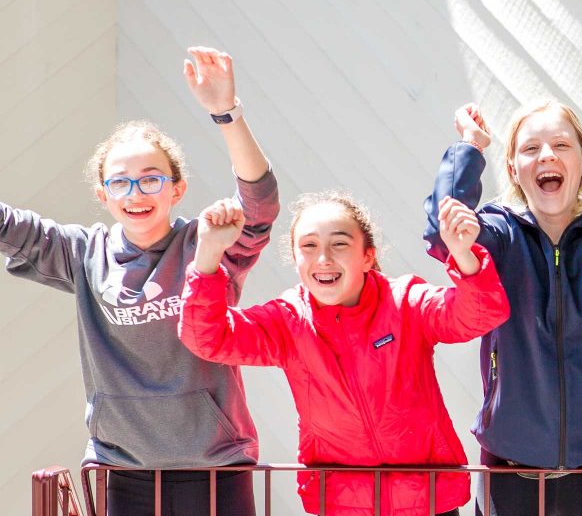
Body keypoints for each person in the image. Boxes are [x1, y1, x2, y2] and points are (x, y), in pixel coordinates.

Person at [0, 47, 276, 515]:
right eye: (121, 182)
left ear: (176, 188)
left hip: (216, 465)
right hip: (122, 469)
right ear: (103, 194)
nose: (136, 193)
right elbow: (10, 227)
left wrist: (225, 113)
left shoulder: (206, 240)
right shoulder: (83, 253)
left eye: (151, 179)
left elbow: (260, 203)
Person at [180, 192, 509, 516]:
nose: (323, 258)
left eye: (339, 244)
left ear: (367, 256)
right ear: (295, 259)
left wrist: (464, 253)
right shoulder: (287, 319)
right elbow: (208, 338)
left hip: (428, 501)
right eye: (309, 246)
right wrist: (208, 253)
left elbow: (480, 315)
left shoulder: (406, 301)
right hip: (341, 503)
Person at [424, 101, 582, 516]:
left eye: (561, 144)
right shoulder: (499, 230)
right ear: (512, 169)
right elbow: (444, 232)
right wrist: (470, 147)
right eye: (531, 149)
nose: (546, 155)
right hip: (511, 465)